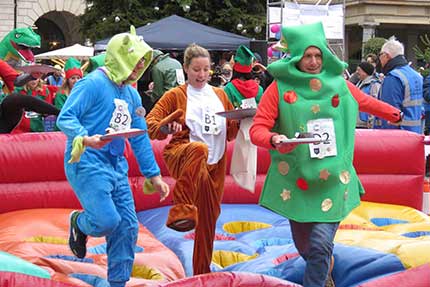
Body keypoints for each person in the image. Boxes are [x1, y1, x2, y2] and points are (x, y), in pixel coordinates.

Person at [249, 22, 402, 287]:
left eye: (318, 55)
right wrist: (275, 139)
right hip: (296, 182)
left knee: (320, 244)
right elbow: (258, 129)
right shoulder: (279, 89)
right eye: (307, 56)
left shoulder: (338, 85)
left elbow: (364, 102)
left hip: (333, 179)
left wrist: (393, 114)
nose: (313, 61)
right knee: (308, 248)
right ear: (297, 57)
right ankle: (324, 272)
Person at [56, 26, 170, 287]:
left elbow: (139, 136)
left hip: (117, 166)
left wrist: (154, 175)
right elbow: (66, 117)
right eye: (135, 61)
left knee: (128, 227)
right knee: (107, 221)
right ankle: (80, 223)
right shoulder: (92, 84)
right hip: (87, 163)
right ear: (121, 57)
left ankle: (118, 283)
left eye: (142, 63)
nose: (138, 67)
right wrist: (85, 137)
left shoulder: (131, 93)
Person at [146, 43, 239, 275]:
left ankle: (201, 274)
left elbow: (230, 132)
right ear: (186, 68)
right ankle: (181, 208)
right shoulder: (175, 95)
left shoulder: (220, 94)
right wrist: (168, 127)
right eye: (197, 69)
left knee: (208, 222)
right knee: (198, 149)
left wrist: (243, 118)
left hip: (214, 166)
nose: (202, 74)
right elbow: (150, 125)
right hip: (184, 155)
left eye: (206, 69)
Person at [374, 37, 423, 134]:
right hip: (415, 134)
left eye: (380, 55)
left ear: (386, 56)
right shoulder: (416, 76)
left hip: (396, 138)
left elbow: (390, 115)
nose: (379, 59)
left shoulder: (393, 78)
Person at [355, 61, 381, 128]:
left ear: (365, 72)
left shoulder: (374, 85)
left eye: (359, 70)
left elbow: (374, 104)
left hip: (365, 124)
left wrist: (371, 123)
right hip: (358, 123)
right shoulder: (359, 83)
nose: (357, 72)